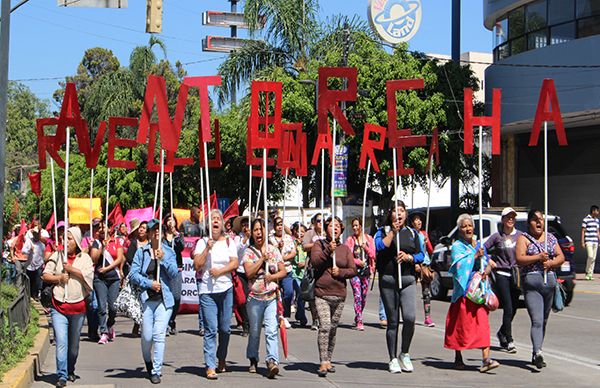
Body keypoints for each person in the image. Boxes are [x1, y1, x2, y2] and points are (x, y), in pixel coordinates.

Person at [444, 214, 499, 373]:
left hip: (479, 292)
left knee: (483, 323)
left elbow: (487, 264)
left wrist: (486, 270)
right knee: (460, 326)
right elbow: (459, 266)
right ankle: (458, 356)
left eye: (470, 226)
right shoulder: (457, 247)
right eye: (464, 226)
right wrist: (474, 256)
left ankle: (486, 359)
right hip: (464, 291)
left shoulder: (480, 244)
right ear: (460, 230)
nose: (467, 229)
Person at [375, 203, 425, 373]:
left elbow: (421, 255)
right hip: (388, 280)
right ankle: (392, 358)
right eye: (396, 211)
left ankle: (404, 352)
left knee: (410, 318)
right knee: (393, 321)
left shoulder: (412, 233)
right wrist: (392, 233)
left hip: (408, 279)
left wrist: (409, 257)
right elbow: (379, 247)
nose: (399, 214)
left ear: (406, 214)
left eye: (402, 211)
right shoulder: (382, 231)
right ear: (390, 214)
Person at [42, 226, 94, 388]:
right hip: (59, 307)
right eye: (64, 237)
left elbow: (89, 278)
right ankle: (62, 375)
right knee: (62, 342)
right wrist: (59, 277)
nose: (66, 241)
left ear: (77, 241)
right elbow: (45, 275)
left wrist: (73, 270)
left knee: (73, 346)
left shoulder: (84, 258)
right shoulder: (57, 256)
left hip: (78, 308)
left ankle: (70, 369)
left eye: (69, 238)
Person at [129, 219, 178, 384]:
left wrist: (163, 259)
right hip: (147, 299)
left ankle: (156, 370)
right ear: (149, 234)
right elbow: (133, 274)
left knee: (159, 335)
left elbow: (174, 274)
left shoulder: (169, 252)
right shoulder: (141, 253)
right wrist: (149, 283)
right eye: (153, 230)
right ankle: (148, 361)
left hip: (164, 301)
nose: (157, 232)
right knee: (147, 336)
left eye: (160, 229)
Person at [516, 209, 565, 369]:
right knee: (536, 320)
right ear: (529, 222)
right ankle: (538, 353)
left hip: (549, 283)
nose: (539, 222)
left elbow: (561, 256)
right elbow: (520, 259)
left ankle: (536, 350)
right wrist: (538, 257)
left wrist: (551, 263)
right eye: (535, 219)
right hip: (532, 283)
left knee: (543, 321)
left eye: (541, 219)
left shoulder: (550, 238)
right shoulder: (524, 238)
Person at [193, 209, 239, 380]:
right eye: (212, 219)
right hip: (207, 291)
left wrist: (220, 271)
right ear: (208, 223)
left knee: (225, 329)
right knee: (211, 329)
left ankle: (221, 358)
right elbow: (197, 265)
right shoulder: (202, 242)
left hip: (226, 289)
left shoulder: (229, 242)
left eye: (218, 218)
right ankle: (210, 365)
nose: (215, 221)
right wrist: (207, 248)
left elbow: (234, 263)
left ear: (222, 223)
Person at [310, 216, 357, 377]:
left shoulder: (345, 249)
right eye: (331, 225)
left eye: (337, 226)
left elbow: (353, 270)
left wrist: (341, 273)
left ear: (341, 229)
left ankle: (329, 359)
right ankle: (322, 361)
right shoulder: (319, 244)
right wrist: (328, 250)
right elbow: (315, 261)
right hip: (322, 293)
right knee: (325, 326)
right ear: (326, 228)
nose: (335, 228)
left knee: (333, 329)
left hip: (339, 294)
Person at [242, 218, 287, 378]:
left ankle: (272, 361)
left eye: (261, 229)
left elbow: (283, 271)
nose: (259, 233)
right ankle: (253, 358)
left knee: (271, 331)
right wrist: (262, 260)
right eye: (255, 230)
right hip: (255, 298)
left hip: (271, 297)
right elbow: (248, 273)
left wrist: (273, 276)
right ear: (252, 233)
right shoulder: (248, 252)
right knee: (254, 332)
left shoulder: (273, 250)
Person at [484, 207, 521, 353]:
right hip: (501, 273)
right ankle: (509, 340)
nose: (510, 219)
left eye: (513, 217)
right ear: (503, 220)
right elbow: (483, 248)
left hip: (516, 274)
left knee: (515, 307)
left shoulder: (520, 236)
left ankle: (501, 332)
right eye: (508, 217)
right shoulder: (497, 236)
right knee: (508, 306)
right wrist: (489, 260)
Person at [89, 219, 125, 345]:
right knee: (101, 306)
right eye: (100, 227)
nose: (102, 229)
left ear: (110, 229)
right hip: (100, 279)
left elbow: (120, 258)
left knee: (113, 307)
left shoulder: (117, 242)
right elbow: (94, 258)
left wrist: (108, 268)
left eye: (105, 227)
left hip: (113, 278)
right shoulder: (96, 243)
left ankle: (110, 324)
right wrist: (102, 248)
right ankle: (103, 332)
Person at [344, 217, 375, 331]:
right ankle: (359, 319)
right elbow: (348, 257)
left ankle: (358, 314)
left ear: (361, 226)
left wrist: (365, 248)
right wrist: (358, 262)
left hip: (366, 272)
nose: (355, 228)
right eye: (353, 226)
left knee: (363, 297)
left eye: (357, 225)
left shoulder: (368, 239)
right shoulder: (350, 240)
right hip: (354, 272)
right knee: (357, 295)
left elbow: (373, 255)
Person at [268, 216, 296, 329]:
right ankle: (278, 315)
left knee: (289, 292)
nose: (280, 227)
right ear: (274, 227)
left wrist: (282, 258)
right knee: (275, 295)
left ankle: (284, 313)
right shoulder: (270, 239)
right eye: (278, 224)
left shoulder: (288, 238)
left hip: (287, 270)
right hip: (275, 272)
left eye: (281, 224)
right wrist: (278, 249)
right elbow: (271, 254)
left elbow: (293, 253)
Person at [408, 212, 435, 327]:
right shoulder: (410, 234)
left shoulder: (424, 234)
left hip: (425, 264)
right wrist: (415, 263)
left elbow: (430, 250)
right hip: (414, 264)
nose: (419, 222)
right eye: (416, 220)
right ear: (412, 222)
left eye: (420, 220)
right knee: (410, 291)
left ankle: (427, 317)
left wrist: (426, 240)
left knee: (426, 292)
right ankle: (409, 315)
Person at [302, 213, 325, 330]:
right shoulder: (309, 233)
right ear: (314, 222)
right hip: (312, 267)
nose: (321, 223)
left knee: (322, 294)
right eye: (318, 221)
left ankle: (322, 318)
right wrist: (317, 244)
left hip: (325, 267)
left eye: (323, 220)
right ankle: (315, 318)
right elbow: (304, 246)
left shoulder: (327, 233)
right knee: (312, 295)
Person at [162, 214, 184, 335]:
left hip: (177, 268)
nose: (171, 222)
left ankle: (172, 320)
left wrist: (176, 235)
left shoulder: (179, 235)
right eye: (168, 220)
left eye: (172, 220)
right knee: (165, 296)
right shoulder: (162, 236)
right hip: (164, 269)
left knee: (176, 297)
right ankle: (165, 323)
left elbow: (181, 247)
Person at [125, 220, 148, 336]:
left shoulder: (152, 244)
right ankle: (137, 324)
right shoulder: (134, 243)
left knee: (146, 301)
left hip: (148, 277)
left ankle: (145, 326)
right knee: (138, 301)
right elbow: (129, 257)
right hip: (137, 276)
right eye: (140, 228)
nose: (141, 230)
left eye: (144, 228)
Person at [233, 216, 251, 337]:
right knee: (242, 299)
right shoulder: (237, 238)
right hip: (240, 271)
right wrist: (245, 240)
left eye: (247, 225)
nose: (246, 227)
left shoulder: (254, 238)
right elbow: (235, 251)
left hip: (252, 270)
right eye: (244, 225)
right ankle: (245, 323)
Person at [21, 225, 46, 299]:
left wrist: (43, 263)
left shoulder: (42, 245)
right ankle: (28, 295)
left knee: (37, 281)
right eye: (35, 234)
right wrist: (29, 250)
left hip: (38, 265)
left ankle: (35, 295)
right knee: (29, 281)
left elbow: (43, 255)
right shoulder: (29, 241)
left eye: (38, 234)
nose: (36, 235)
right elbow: (23, 251)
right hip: (30, 265)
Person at [291, 222, 308, 326]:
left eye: (302, 231)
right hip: (295, 273)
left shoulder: (307, 244)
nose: (300, 233)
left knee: (302, 296)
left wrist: (305, 263)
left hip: (304, 273)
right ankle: (302, 316)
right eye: (298, 231)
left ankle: (299, 314)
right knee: (300, 293)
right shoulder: (293, 243)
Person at [581, 205, 600, 280]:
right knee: (590, 256)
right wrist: (582, 242)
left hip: (595, 241)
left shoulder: (597, 220)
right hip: (588, 241)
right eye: (597, 211)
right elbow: (583, 231)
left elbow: (598, 231)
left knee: (594, 258)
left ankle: (590, 274)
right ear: (593, 211)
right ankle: (587, 271)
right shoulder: (586, 219)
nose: (598, 212)